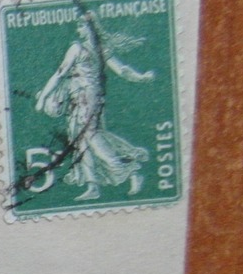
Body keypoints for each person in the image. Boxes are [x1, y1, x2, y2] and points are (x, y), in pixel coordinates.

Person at [34, 17, 156, 200]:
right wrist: (141, 77)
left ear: (89, 28)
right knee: (81, 141)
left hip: (87, 99)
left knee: (90, 136)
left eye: (81, 26)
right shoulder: (97, 49)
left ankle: (129, 170)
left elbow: (61, 74)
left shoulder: (84, 49)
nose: (79, 30)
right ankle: (93, 186)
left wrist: (141, 77)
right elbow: (120, 69)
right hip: (82, 98)